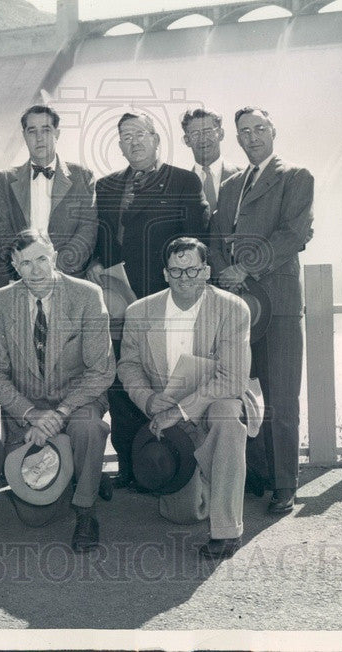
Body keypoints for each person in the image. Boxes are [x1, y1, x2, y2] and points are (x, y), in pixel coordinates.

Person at [88, 111, 209, 490]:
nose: (134, 141)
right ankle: (131, 466)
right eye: (126, 136)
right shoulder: (105, 186)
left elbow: (196, 241)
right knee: (125, 381)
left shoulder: (183, 181)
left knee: (171, 379)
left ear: (156, 139)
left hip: (166, 299)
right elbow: (101, 240)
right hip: (118, 301)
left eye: (141, 134)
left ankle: (179, 465)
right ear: (119, 145)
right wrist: (94, 264)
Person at [208, 106, 314, 515]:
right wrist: (223, 271)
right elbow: (216, 238)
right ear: (236, 139)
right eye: (244, 132)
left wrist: (243, 267)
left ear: (273, 131)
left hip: (280, 306)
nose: (252, 137)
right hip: (237, 306)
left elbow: (294, 234)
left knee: (282, 399)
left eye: (259, 129)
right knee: (238, 392)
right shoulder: (231, 185)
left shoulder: (295, 177)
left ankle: (285, 487)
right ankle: (258, 478)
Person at [118, 238, 252, 559]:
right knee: (184, 515)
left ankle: (226, 530)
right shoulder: (139, 312)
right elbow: (128, 367)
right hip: (163, 405)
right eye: (176, 271)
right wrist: (149, 401)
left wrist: (179, 411)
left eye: (193, 270)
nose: (185, 279)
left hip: (212, 400)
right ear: (165, 274)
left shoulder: (233, 308)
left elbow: (233, 378)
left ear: (206, 271)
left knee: (228, 420)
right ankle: (207, 481)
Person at [0, 230, 115, 551]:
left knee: (88, 428)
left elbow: (101, 369)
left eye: (42, 259)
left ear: (54, 256)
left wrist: (60, 413)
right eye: (25, 263)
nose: (36, 270)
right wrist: (29, 413)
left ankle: (86, 509)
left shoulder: (87, 295)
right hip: (26, 409)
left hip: (77, 401)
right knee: (34, 517)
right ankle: (82, 468)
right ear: (14, 266)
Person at [0, 105, 98, 289]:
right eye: (32, 131)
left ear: (57, 133)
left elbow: (87, 231)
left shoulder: (82, 177)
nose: (39, 138)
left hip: (67, 279)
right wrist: (26, 269)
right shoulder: (5, 180)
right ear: (24, 135)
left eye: (46, 130)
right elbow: (0, 232)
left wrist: (54, 271)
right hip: (18, 280)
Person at [181, 108, 242, 215]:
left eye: (208, 132)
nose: (203, 139)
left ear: (221, 134)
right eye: (195, 134)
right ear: (187, 140)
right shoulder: (180, 186)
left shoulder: (245, 177)